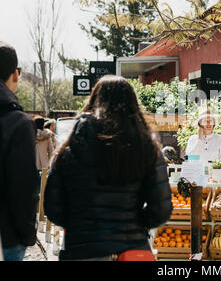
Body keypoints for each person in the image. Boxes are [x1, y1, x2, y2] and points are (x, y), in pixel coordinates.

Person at [44, 75, 172, 261]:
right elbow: (161, 209)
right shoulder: (147, 149)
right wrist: (135, 224)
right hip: (130, 249)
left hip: (82, 250)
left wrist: (79, 224)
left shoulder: (69, 149)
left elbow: (53, 207)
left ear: (93, 101)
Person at [0, 42, 39, 261]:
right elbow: (22, 187)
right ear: (15, 74)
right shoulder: (18, 123)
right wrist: (27, 234)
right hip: (7, 235)